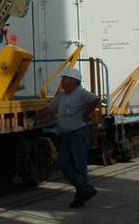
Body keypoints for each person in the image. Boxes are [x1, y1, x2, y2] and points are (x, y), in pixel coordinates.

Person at [37, 66, 101, 207]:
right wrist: (36, 116)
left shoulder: (81, 94)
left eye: (64, 79)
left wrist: (86, 113)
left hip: (78, 134)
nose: (62, 82)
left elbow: (96, 99)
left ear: (72, 82)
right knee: (63, 163)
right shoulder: (62, 96)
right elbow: (49, 109)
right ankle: (86, 188)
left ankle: (80, 197)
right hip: (66, 135)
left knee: (79, 166)